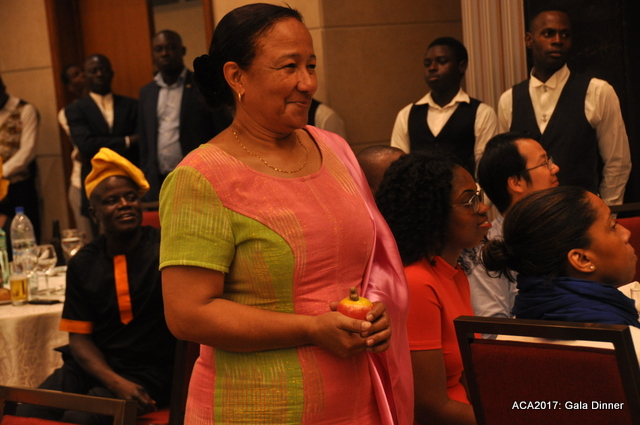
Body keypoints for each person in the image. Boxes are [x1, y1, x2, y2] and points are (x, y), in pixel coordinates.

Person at [159, 4, 413, 425]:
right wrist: (310, 329)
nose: (308, 83)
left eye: (311, 65)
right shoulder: (201, 176)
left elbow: (366, 269)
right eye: (289, 67)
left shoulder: (334, 150)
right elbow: (188, 314)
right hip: (257, 408)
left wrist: (377, 312)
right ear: (236, 77)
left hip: (359, 402)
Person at [16, 148, 176, 424]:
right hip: (94, 367)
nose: (124, 204)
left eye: (131, 197)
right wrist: (114, 381)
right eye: (112, 200)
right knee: (26, 410)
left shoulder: (166, 251)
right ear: (94, 213)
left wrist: (120, 384)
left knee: (79, 418)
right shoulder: (83, 263)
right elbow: (79, 340)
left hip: (151, 371)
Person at [376, 151, 490, 425]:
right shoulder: (417, 283)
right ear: (431, 213)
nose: (483, 208)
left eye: (479, 196)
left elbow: (468, 377)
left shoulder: (453, 272)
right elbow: (429, 408)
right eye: (469, 201)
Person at [497, 8, 631, 206]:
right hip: (530, 217)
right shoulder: (509, 100)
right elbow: (505, 168)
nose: (558, 40)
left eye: (565, 34)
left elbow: (617, 163)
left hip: (582, 215)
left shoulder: (597, 91)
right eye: (548, 33)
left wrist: (607, 211)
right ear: (529, 40)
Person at [482, 186, 639, 329]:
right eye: (612, 226)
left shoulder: (524, 318)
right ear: (582, 260)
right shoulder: (620, 335)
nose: (626, 233)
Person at [468, 132, 560, 320]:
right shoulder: (488, 251)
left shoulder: (564, 230)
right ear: (516, 182)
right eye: (544, 163)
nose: (555, 168)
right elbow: (492, 329)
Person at [138, 30, 230, 203]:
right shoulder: (147, 93)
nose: (165, 53)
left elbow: (222, 132)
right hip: (158, 182)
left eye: (171, 47)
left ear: (183, 51)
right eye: (159, 49)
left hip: (199, 177)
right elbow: (144, 141)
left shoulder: (202, 87)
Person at [390, 37, 497, 174]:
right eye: (427, 64)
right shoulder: (407, 114)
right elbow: (398, 168)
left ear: (461, 66)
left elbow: (484, 170)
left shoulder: (481, 112)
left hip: (464, 187)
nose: (432, 68)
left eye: (441, 62)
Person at [66, 54, 138, 235]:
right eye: (93, 71)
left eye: (103, 70)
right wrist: (126, 141)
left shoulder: (131, 105)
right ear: (85, 76)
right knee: (96, 240)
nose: (99, 74)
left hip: (127, 181)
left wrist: (100, 143)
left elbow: (140, 143)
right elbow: (86, 145)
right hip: (94, 183)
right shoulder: (75, 109)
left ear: (111, 74)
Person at [0, 74, 41, 246]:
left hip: (19, 189)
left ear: (2, 88)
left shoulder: (25, 109)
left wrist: (1, 172)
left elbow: (27, 151)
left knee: (25, 241)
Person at [58, 64, 93, 242]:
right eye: (76, 75)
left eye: (82, 72)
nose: (83, 76)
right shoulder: (67, 113)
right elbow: (85, 147)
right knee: (87, 240)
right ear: (70, 87)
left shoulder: (110, 106)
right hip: (80, 182)